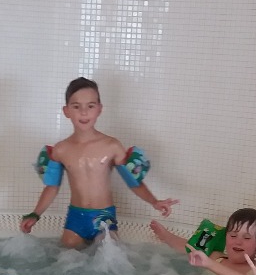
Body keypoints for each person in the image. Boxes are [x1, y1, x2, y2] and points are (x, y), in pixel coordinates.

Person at [20, 77, 178, 248]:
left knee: (109, 256)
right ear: (66, 111)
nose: (84, 112)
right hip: (75, 217)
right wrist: (35, 214)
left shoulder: (111, 146)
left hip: (104, 216)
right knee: (66, 257)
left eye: (90, 106)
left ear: (99, 109)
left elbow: (133, 182)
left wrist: (154, 202)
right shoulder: (61, 150)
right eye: (76, 106)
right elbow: (52, 187)